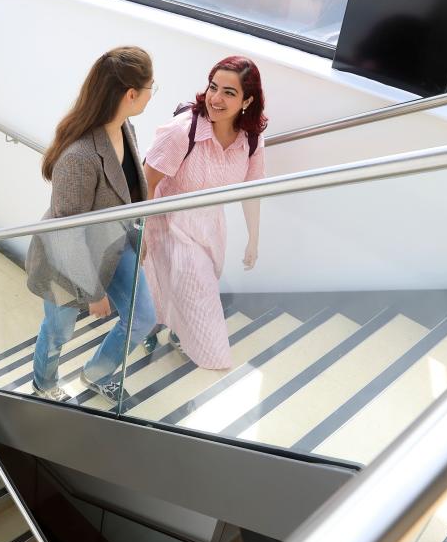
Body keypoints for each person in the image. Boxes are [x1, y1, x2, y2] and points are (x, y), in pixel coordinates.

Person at [25, 45, 158, 403]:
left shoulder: (125, 128)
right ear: (131, 94)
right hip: (67, 264)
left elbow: (128, 194)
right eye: (150, 87)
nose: (151, 94)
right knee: (59, 332)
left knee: (143, 318)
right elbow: (67, 235)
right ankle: (43, 383)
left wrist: (139, 238)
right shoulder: (79, 157)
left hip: (114, 244)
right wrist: (94, 292)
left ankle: (96, 373)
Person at [142, 55, 267, 369]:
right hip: (167, 222)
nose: (216, 98)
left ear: (247, 101)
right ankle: (211, 359)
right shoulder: (182, 131)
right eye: (213, 87)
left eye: (229, 92)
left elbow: (251, 191)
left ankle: (167, 330)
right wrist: (142, 231)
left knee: (184, 287)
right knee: (190, 291)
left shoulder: (251, 140)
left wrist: (253, 239)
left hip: (210, 227)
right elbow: (147, 180)